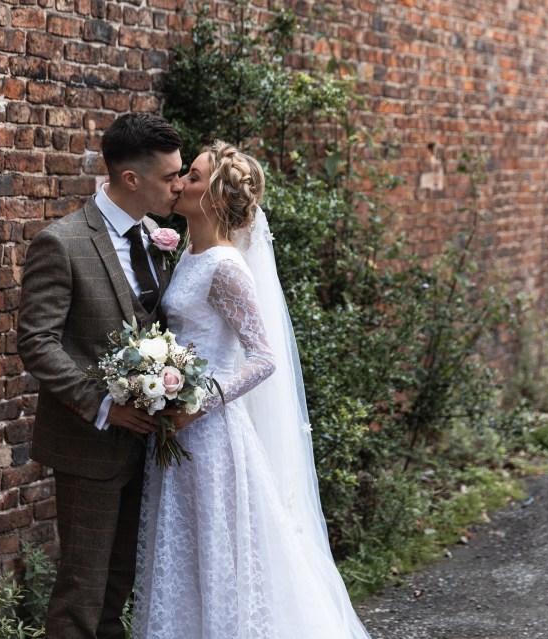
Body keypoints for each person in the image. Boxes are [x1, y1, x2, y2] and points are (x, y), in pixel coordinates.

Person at [133, 140, 371, 639]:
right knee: (184, 553)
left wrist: (196, 402)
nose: (180, 184)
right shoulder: (189, 253)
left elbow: (264, 359)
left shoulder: (225, 266)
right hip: (178, 431)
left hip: (211, 434)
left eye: (193, 178)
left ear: (217, 198)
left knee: (219, 554)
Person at [17, 113, 184, 638]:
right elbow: (37, 344)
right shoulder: (61, 243)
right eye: (169, 177)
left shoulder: (161, 239)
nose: (178, 187)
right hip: (89, 443)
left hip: (148, 446)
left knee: (120, 584)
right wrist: (106, 405)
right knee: (82, 590)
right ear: (131, 179)